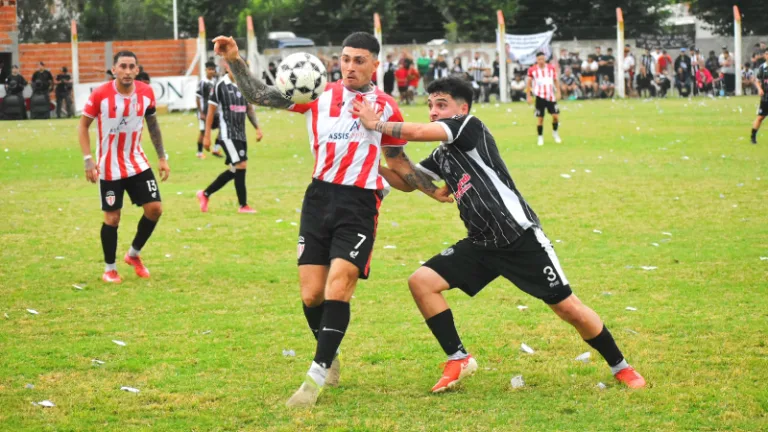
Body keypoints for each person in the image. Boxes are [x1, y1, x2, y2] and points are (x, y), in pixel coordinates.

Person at [351, 76, 647, 393]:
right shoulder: (442, 155)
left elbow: (419, 133)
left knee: (567, 308)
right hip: (482, 244)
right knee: (421, 282)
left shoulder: (468, 127)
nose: (434, 112)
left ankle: (622, 367)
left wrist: (378, 124)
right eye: (430, 106)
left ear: (461, 108)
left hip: (519, 238)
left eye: (442, 105)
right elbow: (410, 180)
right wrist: (367, 158)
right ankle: (458, 358)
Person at [210, 32, 452, 408]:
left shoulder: (386, 106)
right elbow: (260, 95)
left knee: (339, 286)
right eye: (345, 59)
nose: (350, 66)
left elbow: (398, 162)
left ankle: (315, 376)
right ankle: (330, 351)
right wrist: (234, 59)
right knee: (311, 295)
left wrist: (433, 189)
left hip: (359, 204)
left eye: (359, 60)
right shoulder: (317, 94)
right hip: (319, 198)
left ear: (375, 64)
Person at [77, 51, 170, 283]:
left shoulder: (146, 93)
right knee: (113, 218)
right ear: (114, 69)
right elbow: (83, 126)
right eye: (123, 66)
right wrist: (88, 158)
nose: (127, 71)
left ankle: (133, 255)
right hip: (109, 166)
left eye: (131, 67)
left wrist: (162, 157)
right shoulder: (100, 94)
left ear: (137, 70)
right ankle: (110, 269)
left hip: (137, 162)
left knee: (155, 209)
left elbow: (153, 125)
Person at [197, 57, 263, 213]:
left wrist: (257, 128)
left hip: (241, 134)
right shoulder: (220, 86)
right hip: (228, 134)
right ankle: (243, 205)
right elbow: (211, 113)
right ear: (227, 67)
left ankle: (205, 194)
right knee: (241, 164)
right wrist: (207, 136)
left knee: (234, 170)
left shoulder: (244, 86)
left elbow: (249, 109)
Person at [526, 52, 562, 146]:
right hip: (539, 97)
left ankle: (555, 133)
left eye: (542, 59)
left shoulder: (551, 68)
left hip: (550, 96)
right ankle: (540, 137)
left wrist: (558, 91)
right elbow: (529, 83)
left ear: (545, 59)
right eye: (539, 59)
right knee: (540, 119)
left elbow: (555, 80)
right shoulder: (532, 70)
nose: (541, 61)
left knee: (555, 116)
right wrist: (528, 96)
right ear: (536, 60)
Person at [195, 60, 219, 159]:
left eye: (213, 69)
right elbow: (197, 98)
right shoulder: (202, 82)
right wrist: (201, 112)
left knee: (222, 127)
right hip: (204, 111)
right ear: (205, 70)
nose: (211, 71)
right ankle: (199, 153)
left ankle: (216, 149)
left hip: (213, 111)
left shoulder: (215, 82)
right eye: (209, 69)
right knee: (203, 131)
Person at [750, 49, 768, 144]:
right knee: (760, 117)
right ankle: (753, 137)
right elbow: (757, 80)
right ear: (765, 55)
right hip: (766, 97)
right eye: (767, 54)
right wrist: (760, 89)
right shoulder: (762, 67)